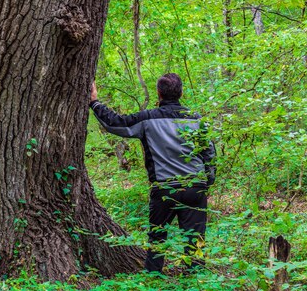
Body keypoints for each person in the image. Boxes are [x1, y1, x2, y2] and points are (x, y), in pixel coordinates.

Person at [89, 73, 216, 273]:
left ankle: (153, 278)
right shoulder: (196, 120)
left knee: (157, 238)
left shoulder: (148, 118)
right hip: (195, 187)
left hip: (164, 188)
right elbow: (209, 154)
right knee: (195, 239)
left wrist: (94, 102)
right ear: (181, 92)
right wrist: (207, 181)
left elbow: (116, 123)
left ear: (159, 93)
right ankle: (195, 282)